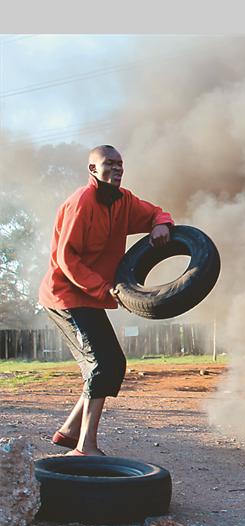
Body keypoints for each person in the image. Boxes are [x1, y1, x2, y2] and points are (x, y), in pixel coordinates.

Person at [38, 145, 174, 456]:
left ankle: (70, 431)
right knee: (101, 363)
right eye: (109, 163)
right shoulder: (82, 202)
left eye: (120, 163)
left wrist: (161, 223)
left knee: (114, 363)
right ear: (93, 169)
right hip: (64, 296)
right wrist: (103, 289)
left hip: (89, 299)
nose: (116, 168)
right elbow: (67, 259)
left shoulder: (124, 200)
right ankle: (85, 447)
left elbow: (154, 211)